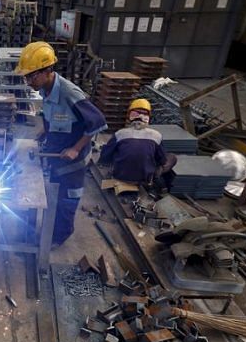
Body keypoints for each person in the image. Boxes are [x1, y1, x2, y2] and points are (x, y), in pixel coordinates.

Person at [16, 41, 107, 246]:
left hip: (72, 163)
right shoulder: (45, 90)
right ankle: (48, 231)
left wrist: (75, 148)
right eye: (26, 76)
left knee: (67, 200)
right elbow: (53, 116)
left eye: (31, 75)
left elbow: (98, 122)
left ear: (48, 70)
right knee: (53, 196)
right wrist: (44, 132)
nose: (28, 81)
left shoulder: (69, 93)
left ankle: (59, 238)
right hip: (56, 156)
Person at [98, 99, 177, 193]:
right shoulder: (156, 136)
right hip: (144, 179)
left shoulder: (120, 134)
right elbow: (162, 160)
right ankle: (153, 180)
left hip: (119, 176)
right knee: (172, 157)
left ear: (129, 116)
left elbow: (104, 157)